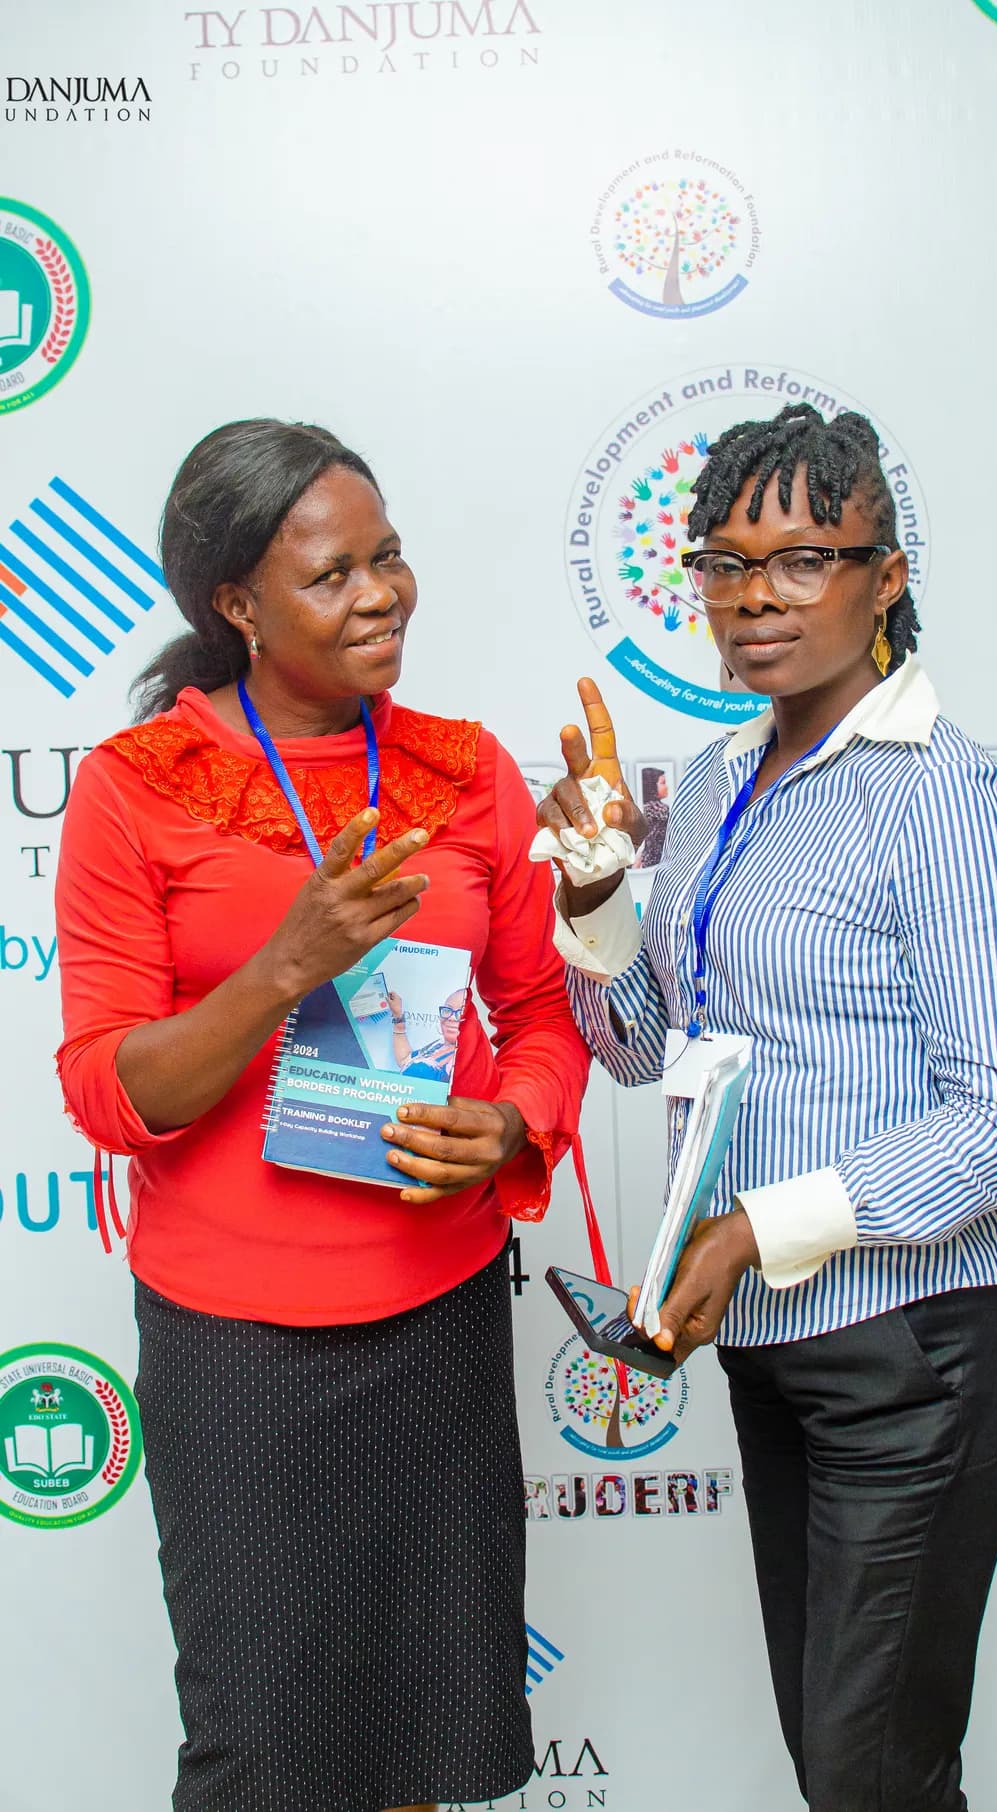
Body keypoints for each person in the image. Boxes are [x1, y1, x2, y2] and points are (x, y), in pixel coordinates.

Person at [54, 419, 590, 1812]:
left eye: (390, 559)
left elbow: (542, 1017)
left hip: (435, 1314)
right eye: (332, 574)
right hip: (235, 1347)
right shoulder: (134, 791)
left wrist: (518, 1126)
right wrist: (285, 964)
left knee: (420, 1737)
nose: (381, 595)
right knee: (267, 1755)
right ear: (235, 604)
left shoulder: (465, 770)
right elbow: (111, 1090)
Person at [537, 403, 997, 1812]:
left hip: (924, 1335)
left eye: (803, 560)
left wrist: (751, 1229)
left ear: (885, 578)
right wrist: (595, 903)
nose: (752, 599)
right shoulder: (714, 785)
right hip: (778, 1333)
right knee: (847, 1769)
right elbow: (646, 1050)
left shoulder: (944, 799)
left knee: (869, 1771)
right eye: (721, 563)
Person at [389, 985, 468, 1079]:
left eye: (461, 1012)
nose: (451, 1017)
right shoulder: (436, 1046)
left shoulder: (465, 1061)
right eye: (447, 1010)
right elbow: (404, 1060)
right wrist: (398, 1016)